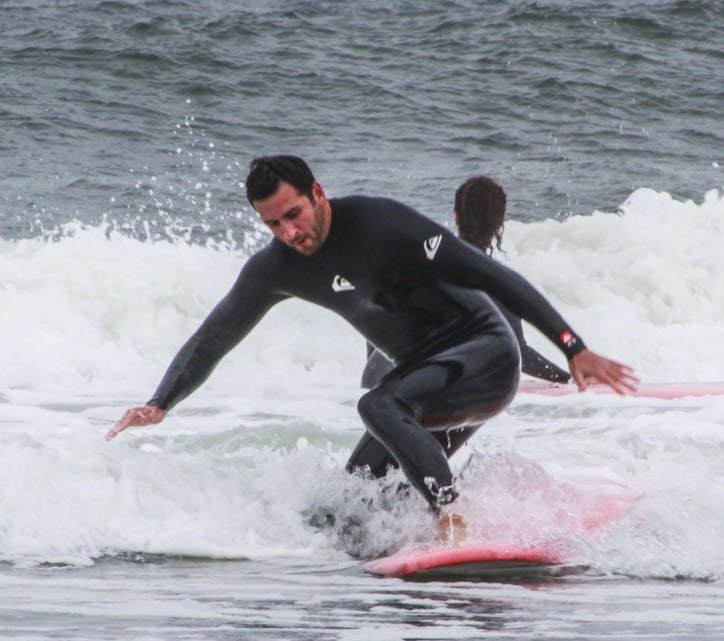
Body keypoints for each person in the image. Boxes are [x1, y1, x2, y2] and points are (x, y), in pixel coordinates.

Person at [107, 155, 637, 537]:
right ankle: (478, 521)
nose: (288, 232)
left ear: (317, 193)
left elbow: (493, 278)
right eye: (273, 224)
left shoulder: (383, 224)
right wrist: (161, 402)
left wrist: (573, 347)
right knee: (356, 497)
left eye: (293, 214)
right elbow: (214, 336)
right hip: (424, 383)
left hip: (486, 355)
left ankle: (454, 516)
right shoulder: (275, 269)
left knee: (378, 404)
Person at [361, 175, 571, 388]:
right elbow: (520, 354)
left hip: (372, 386)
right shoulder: (495, 281)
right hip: (421, 395)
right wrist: (568, 380)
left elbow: (376, 321)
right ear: (499, 223)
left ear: (456, 217)